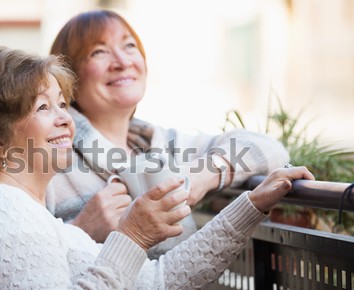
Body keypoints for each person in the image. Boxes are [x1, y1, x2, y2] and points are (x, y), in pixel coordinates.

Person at [0, 46, 314, 290]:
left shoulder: (40, 220)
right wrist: (131, 236)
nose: (65, 118)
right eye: (42, 107)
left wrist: (250, 206)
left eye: (62, 104)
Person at [46, 10, 291, 257]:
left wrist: (204, 174)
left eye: (129, 46)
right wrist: (81, 230)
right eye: (98, 52)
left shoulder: (158, 144)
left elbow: (270, 150)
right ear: (67, 78)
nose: (122, 61)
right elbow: (19, 265)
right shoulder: (49, 158)